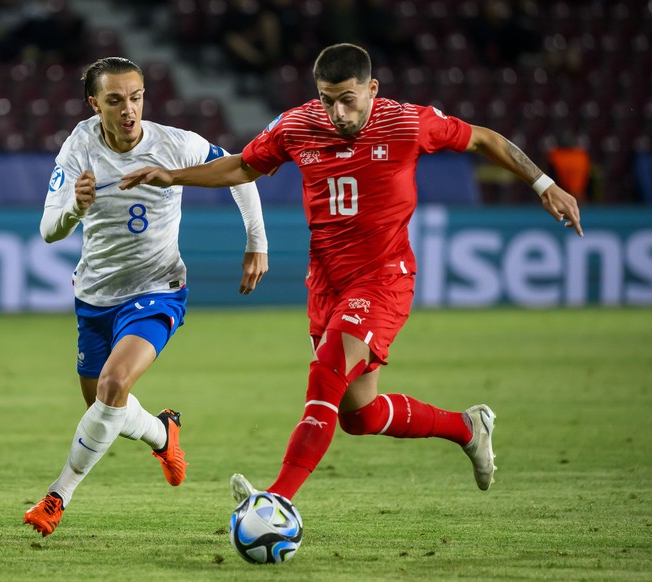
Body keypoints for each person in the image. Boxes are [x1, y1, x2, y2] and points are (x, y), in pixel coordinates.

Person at [120, 43, 583, 507]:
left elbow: (482, 138)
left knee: (325, 374)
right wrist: (173, 175)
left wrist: (544, 185)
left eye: (348, 99)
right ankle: (466, 427)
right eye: (326, 99)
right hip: (325, 282)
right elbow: (244, 165)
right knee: (358, 414)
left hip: (383, 278)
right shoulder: (297, 126)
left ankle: (277, 501)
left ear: (372, 89)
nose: (337, 112)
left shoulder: (407, 123)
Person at [23, 57, 269, 537]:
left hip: (158, 289)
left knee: (114, 387)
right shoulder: (79, 147)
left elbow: (242, 170)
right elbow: (48, 230)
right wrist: (75, 205)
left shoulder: (175, 143)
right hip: (95, 297)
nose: (128, 109)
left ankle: (56, 498)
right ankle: (164, 433)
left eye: (135, 97)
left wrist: (256, 243)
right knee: (104, 406)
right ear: (95, 104)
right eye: (115, 100)